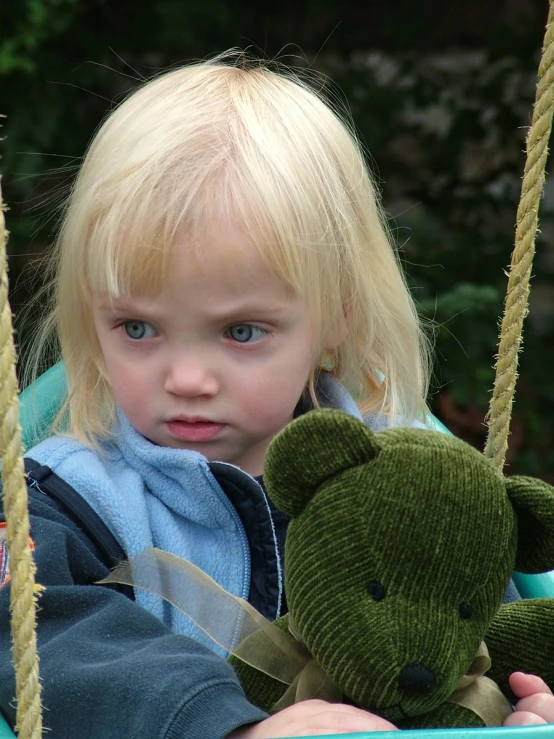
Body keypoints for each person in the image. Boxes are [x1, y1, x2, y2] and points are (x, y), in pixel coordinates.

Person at [1, 52, 552, 738]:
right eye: (137, 327)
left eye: (240, 330)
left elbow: (473, 631)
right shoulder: (62, 499)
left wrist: (515, 703)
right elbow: (46, 640)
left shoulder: (411, 486)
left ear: (338, 314)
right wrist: (227, 723)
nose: (188, 378)